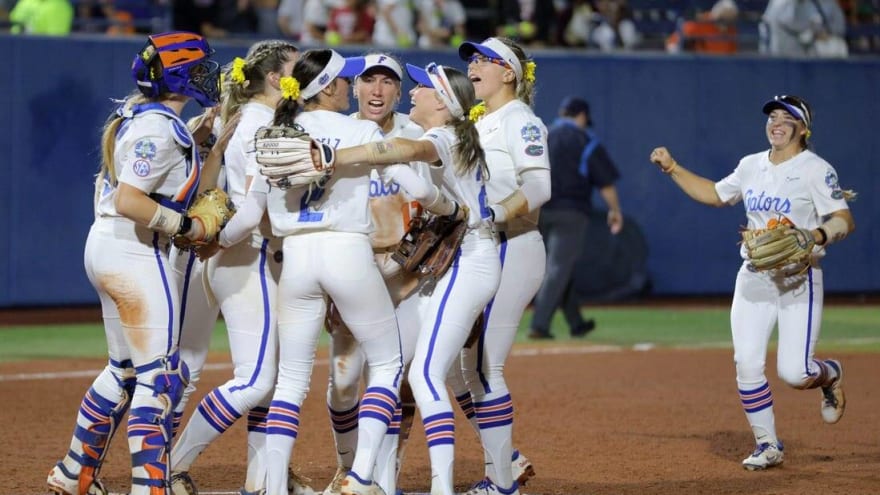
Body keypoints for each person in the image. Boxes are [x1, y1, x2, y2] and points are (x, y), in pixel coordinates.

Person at [214, 48, 403, 495]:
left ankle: (274, 485)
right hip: (347, 251)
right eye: (345, 80)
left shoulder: (274, 133)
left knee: (290, 382)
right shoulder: (360, 128)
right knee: (389, 363)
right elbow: (407, 177)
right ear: (332, 87)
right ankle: (359, 476)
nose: (350, 86)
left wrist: (211, 241)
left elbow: (248, 214)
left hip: (296, 258)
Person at [47, 31, 222, 495]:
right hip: (134, 249)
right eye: (200, 68)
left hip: (109, 246)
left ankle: (74, 470)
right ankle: (150, 487)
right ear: (180, 75)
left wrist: (203, 140)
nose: (209, 75)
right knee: (160, 376)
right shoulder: (157, 128)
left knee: (124, 370)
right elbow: (130, 199)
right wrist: (184, 228)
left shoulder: (152, 119)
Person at [649, 94, 854, 471]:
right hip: (754, 276)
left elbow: (843, 218)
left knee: (795, 373)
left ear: (803, 128)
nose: (776, 122)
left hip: (798, 278)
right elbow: (714, 195)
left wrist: (817, 236)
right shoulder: (750, 165)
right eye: (772, 116)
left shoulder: (815, 169)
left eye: (786, 118)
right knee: (746, 362)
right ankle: (767, 444)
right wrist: (673, 167)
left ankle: (829, 374)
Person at [325, 61, 500, 495]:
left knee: (422, 375)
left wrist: (335, 156)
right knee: (390, 367)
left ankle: (436, 487)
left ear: (441, 101)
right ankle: (367, 478)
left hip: (469, 260)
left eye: (422, 87)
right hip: (454, 259)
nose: (415, 92)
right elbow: (430, 193)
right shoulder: (449, 134)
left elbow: (408, 175)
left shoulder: (442, 135)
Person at [169, 40, 314, 495]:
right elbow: (251, 210)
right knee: (255, 380)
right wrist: (217, 241)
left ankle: (263, 479)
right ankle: (170, 465)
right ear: (275, 78)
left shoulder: (256, 119)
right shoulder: (261, 124)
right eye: (294, 70)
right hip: (246, 254)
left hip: (244, 255)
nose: (303, 77)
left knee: (265, 381)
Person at [322, 53, 426, 495]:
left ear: (399, 92)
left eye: (387, 82)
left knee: (399, 378)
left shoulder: (416, 136)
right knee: (344, 384)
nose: (377, 90)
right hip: (353, 269)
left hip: (407, 272)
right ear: (356, 88)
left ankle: (384, 476)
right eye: (368, 81)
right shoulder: (339, 134)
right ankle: (349, 467)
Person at [456, 36, 551, 495]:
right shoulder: (480, 121)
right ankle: (506, 456)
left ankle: (501, 480)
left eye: (482, 59)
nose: (472, 65)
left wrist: (490, 216)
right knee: (456, 368)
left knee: (484, 366)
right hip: (482, 247)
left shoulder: (521, 121)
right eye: (471, 59)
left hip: (511, 244)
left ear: (508, 73)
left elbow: (538, 190)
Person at [528, 96, 623, 340]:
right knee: (558, 268)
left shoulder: (543, 135)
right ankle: (539, 325)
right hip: (571, 212)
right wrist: (614, 210)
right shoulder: (586, 139)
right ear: (581, 116)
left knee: (560, 268)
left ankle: (576, 322)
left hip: (538, 209)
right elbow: (605, 182)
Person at [761, 0, 848, 57]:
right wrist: (814, 31)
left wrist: (825, 33)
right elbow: (789, 23)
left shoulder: (831, 4)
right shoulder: (785, 3)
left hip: (824, 42)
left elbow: (840, 27)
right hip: (793, 44)